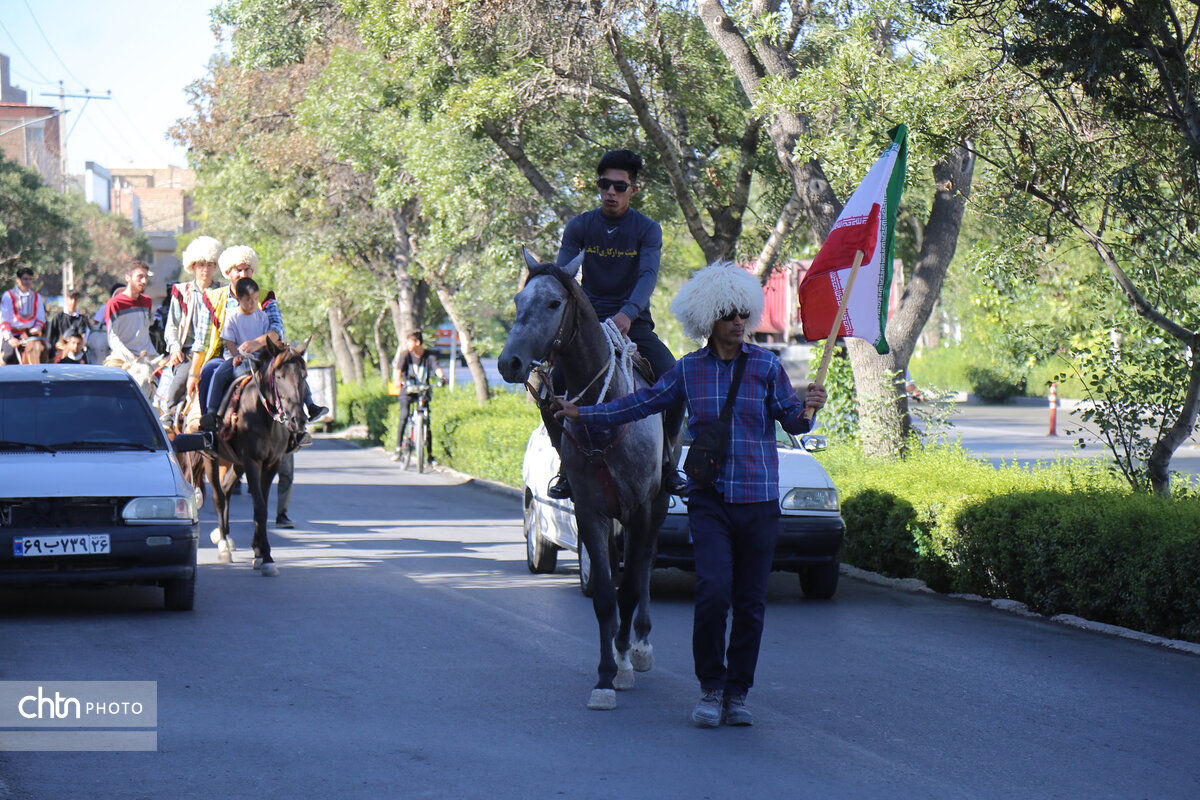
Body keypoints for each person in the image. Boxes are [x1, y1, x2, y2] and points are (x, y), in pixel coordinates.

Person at [553, 262, 827, 729]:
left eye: (744, 313)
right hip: (711, 500)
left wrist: (811, 408)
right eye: (729, 314)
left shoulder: (765, 366)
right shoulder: (689, 371)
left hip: (760, 501)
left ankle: (738, 694)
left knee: (750, 602)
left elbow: (793, 421)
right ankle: (711, 688)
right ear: (709, 320)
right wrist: (584, 414)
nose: (740, 322)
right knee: (713, 593)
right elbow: (640, 403)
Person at [547, 148, 686, 499]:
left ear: (633, 190)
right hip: (586, 326)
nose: (611, 192)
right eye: (605, 185)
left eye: (620, 186)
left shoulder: (647, 230)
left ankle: (669, 463)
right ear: (598, 186)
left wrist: (628, 313)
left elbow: (647, 277)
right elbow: (565, 275)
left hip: (633, 323)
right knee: (552, 385)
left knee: (674, 378)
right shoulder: (579, 226)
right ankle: (565, 464)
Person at [192, 246, 327, 437]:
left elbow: (277, 329)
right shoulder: (213, 298)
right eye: (238, 269)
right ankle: (210, 424)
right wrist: (192, 373)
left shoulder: (265, 296)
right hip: (229, 356)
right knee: (208, 372)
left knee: (290, 368)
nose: (243, 273)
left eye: (247, 269)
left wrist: (257, 343)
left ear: (253, 271)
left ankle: (304, 416)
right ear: (228, 272)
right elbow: (203, 341)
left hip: (264, 354)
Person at [199, 276, 283, 431]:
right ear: (238, 298)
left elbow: (268, 339)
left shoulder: (263, 316)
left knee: (286, 373)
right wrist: (235, 354)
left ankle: (297, 415)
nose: (252, 303)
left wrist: (265, 352)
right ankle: (211, 412)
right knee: (218, 374)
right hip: (236, 358)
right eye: (248, 300)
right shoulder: (231, 316)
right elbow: (229, 340)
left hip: (259, 358)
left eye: (255, 299)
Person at [160, 235, 222, 422]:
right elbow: (172, 325)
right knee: (181, 380)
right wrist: (175, 348)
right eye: (201, 265)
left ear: (215, 267)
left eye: (210, 264)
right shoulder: (181, 292)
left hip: (214, 352)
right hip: (187, 353)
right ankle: (169, 414)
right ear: (193, 266)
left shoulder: (222, 292)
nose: (205, 269)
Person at [390, 330, 446, 462]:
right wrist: (397, 381)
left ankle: (429, 456)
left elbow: (436, 367)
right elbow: (398, 370)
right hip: (407, 390)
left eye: (410, 342)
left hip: (422, 390)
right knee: (403, 416)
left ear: (418, 342)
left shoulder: (429, 356)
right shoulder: (405, 355)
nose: (408, 345)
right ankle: (398, 449)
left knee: (426, 420)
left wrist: (442, 377)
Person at [102, 261, 159, 368]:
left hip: (147, 355)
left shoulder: (147, 301)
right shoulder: (114, 303)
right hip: (122, 357)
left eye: (146, 277)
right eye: (140, 277)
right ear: (128, 277)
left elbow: (145, 333)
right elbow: (112, 337)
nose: (144, 281)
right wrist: (131, 356)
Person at [1, 267, 46, 365]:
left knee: (46, 350)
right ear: (18, 280)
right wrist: (10, 338)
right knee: (9, 355)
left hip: (30, 335)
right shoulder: (8, 296)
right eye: (25, 279)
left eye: (30, 279)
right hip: (13, 334)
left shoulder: (36, 296)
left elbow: (41, 318)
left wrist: (32, 331)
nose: (28, 282)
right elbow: (4, 319)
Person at [47, 289, 89, 353]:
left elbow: (82, 336)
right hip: (59, 351)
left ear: (78, 301)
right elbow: (51, 336)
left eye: (76, 299)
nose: (73, 302)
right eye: (71, 299)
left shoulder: (81, 319)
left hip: (76, 351)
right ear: (66, 300)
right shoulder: (58, 316)